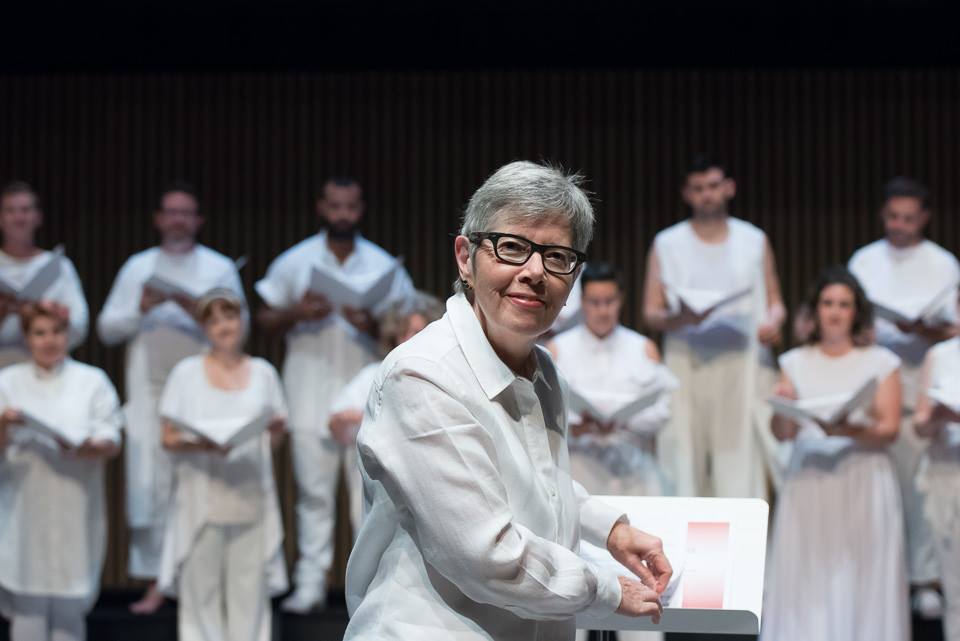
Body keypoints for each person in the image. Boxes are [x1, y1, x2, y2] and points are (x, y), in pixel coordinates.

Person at [344, 161, 672, 641]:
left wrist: (609, 528)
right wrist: (606, 590)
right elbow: (487, 556)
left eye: (557, 256)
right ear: (465, 257)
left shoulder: (543, 368)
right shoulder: (423, 375)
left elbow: (530, 477)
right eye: (513, 248)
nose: (535, 272)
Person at [255, 176, 414, 612]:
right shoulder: (297, 261)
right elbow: (263, 317)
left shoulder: (383, 265)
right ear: (321, 208)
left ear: (360, 210)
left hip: (367, 399)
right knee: (313, 493)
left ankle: (371, 589)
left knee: (369, 499)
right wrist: (296, 311)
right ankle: (310, 582)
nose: (342, 214)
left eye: (350, 206)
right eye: (335, 206)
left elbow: (410, 328)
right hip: (307, 391)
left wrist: (370, 323)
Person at [96, 182, 246, 614]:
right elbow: (107, 329)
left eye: (187, 213)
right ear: (159, 219)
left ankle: (196, 582)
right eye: (171, 212)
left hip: (202, 391)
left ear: (198, 220)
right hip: (148, 393)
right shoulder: (138, 268)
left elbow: (241, 328)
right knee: (150, 487)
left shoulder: (217, 268)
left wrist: (191, 307)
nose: (178, 220)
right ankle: (155, 586)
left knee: (196, 483)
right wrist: (140, 307)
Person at [761, 266, 908, 641]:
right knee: (809, 570)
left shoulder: (882, 361)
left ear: (857, 312)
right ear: (816, 310)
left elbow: (889, 428)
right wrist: (782, 408)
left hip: (863, 476)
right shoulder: (795, 361)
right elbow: (784, 433)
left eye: (844, 304)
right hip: (810, 477)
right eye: (828, 303)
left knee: (863, 570)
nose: (835, 312)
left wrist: (845, 428)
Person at [642, 155, 786, 499]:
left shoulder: (752, 239)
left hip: (741, 360)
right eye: (698, 188)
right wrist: (681, 318)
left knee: (740, 458)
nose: (706, 195)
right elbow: (651, 312)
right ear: (686, 194)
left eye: (712, 186)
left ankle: (741, 542)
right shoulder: (668, 242)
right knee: (684, 456)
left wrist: (774, 321)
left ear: (728, 188)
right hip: (686, 359)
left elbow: (775, 300)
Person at [848, 176, 958, 618]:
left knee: (919, 490)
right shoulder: (865, 260)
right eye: (893, 216)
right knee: (877, 488)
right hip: (876, 386)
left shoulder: (943, 263)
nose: (900, 225)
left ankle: (924, 578)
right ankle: (877, 573)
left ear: (925, 218)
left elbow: (954, 329)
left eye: (909, 218)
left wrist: (924, 327)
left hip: (923, 390)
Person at [550, 262, 673, 641]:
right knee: (579, 575)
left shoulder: (642, 348)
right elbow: (545, 411)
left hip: (631, 470)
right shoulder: (557, 349)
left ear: (620, 301)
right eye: (594, 302)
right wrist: (583, 424)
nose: (602, 310)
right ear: (582, 302)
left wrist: (624, 421)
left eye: (609, 301)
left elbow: (662, 409)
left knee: (640, 571)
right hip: (580, 470)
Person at [157, 289, 287, 641]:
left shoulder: (263, 373)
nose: (224, 326)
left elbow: (274, 439)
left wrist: (273, 430)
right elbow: (168, 437)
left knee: (249, 598)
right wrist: (203, 444)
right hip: (202, 499)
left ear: (242, 320)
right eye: (214, 320)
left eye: (229, 317)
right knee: (202, 598)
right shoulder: (187, 373)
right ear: (203, 328)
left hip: (249, 498)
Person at [0, 302, 122, 641]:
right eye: (39, 333)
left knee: (70, 600)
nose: (49, 340)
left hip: (74, 501)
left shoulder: (91, 380)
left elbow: (112, 436)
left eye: (56, 332)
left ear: (68, 334)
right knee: (28, 599)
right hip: (23, 503)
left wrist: (89, 446)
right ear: (26, 338)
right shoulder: (7, 382)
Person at [327, 291, 445, 536]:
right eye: (409, 331)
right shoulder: (373, 374)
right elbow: (335, 424)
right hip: (379, 485)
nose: (414, 338)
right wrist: (360, 418)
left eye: (422, 331)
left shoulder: (444, 377)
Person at [0, 181, 88, 367]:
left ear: (37, 217)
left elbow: (80, 327)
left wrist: (51, 315)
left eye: (25, 210)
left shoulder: (59, 267)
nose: (18, 217)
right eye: (10, 211)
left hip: (49, 371)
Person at [913, 330, 960, 641]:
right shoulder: (940, 355)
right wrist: (937, 415)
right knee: (955, 587)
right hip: (947, 473)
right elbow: (920, 424)